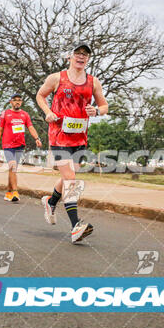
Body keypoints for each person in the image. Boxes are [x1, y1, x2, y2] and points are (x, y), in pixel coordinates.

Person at [36, 42, 108, 243]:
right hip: (59, 134)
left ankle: (50, 202)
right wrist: (48, 112)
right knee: (70, 178)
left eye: (85, 54)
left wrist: (97, 111)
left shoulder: (93, 82)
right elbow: (40, 96)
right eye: (78, 53)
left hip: (79, 137)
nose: (81, 56)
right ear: (70, 56)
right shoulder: (57, 78)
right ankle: (76, 225)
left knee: (69, 176)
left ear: (88, 59)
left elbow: (104, 105)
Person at [0, 93, 42, 202]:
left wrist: (37, 138)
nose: (17, 102)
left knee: (12, 170)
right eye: (15, 100)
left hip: (20, 145)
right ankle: (15, 192)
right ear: (10, 102)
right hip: (8, 145)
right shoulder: (5, 114)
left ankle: (8, 192)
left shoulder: (25, 115)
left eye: (19, 100)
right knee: (13, 167)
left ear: (21, 102)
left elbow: (30, 127)